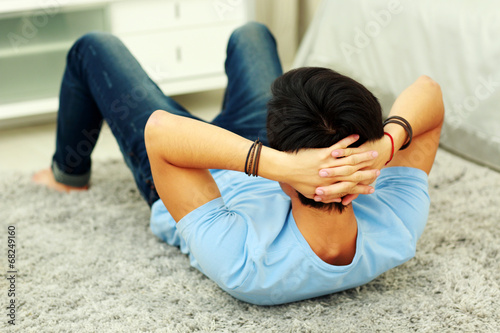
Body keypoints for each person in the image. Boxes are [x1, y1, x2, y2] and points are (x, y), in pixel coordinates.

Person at [33, 22, 444, 305]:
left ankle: (67, 176)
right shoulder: (396, 226)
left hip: (190, 172)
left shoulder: (249, 268)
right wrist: (384, 149)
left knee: (92, 46)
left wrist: (281, 166)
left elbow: (162, 134)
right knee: (252, 34)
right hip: (259, 150)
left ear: (288, 177)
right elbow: (429, 92)